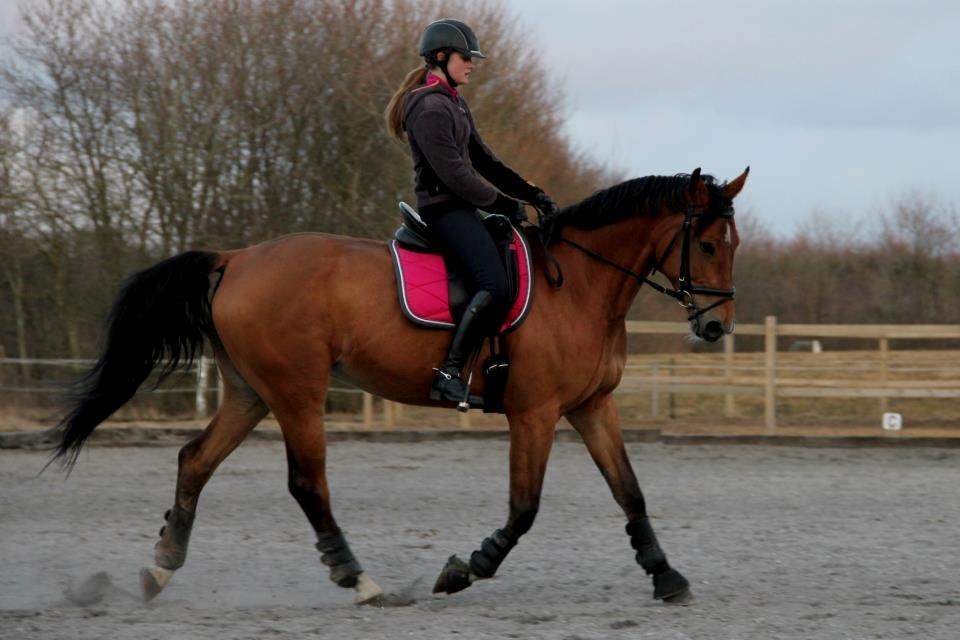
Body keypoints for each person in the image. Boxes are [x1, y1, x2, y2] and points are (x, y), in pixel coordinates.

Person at [385, 18, 559, 406]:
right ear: (441, 57)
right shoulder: (429, 108)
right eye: (467, 58)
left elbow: (485, 162)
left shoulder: (454, 104)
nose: (472, 64)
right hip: (444, 211)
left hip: (462, 208)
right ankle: (449, 371)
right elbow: (457, 175)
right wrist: (504, 204)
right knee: (493, 285)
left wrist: (532, 194)